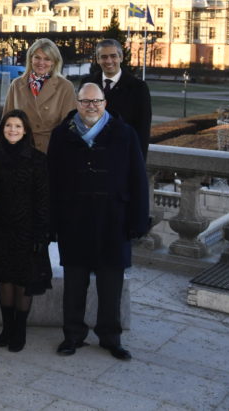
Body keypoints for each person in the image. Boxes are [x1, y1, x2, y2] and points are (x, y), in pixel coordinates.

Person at [48, 83, 149, 361]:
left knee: (110, 286)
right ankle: (73, 335)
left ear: (105, 103)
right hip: (74, 221)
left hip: (113, 221)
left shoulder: (125, 134)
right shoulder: (61, 135)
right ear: (77, 103)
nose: (90, 106)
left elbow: (138, 180)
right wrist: (53, 221)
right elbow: (52, 182)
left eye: (96, 101)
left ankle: (110, 337)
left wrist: (138, 221)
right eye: (85, 101)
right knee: (75, 285)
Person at [0, 109, 52, 353]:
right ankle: (7, 328)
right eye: (8, 126)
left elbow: (43, 201)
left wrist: (41, 235)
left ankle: (19, 331)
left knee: (24, 281)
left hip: (27, 229)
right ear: (2, 129)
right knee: (4, 279)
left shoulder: (38, 159)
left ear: (25, 131)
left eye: (17, 127)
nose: (12, 130)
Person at [82, 39, 152, 159]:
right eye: (104, 57)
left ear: (121, 57)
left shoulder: (138, 88)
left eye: (113, 56)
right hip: (91, 157)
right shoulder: (87, 83)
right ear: (98, 59)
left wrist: (138, 164)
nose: (109, 61)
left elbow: (142, 130)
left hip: (122, 158)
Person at [3, 38, 76, 152]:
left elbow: (69, 127)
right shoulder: (17, 84)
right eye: (37, 57)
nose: (41, 63)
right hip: (20, 150)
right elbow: (6, 121)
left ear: (54, 62)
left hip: (52, 150)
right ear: (30, 59)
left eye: (47, 59)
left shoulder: (65, 87)